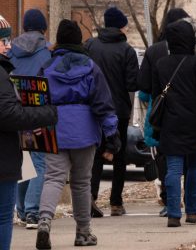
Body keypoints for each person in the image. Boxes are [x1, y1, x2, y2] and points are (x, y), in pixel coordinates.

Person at [36, 20, 120, 249]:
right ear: (78, 40)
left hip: (54, 130)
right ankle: (83, 233)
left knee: (53, 177)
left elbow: (36, 101)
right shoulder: (91, 67)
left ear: (59, 40)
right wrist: (112, 134)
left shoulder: (46, 67)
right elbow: (103, 103)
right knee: (81, 183)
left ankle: (44, 220)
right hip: (84, 132)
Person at [152, 18, 196, 228]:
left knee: (173, 169)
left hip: (170, 124)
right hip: (195, 123)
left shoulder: (161, 64)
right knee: (195, 168)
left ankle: (173, 213)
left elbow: (156, 94)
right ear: (191, 40)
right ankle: (192, 211)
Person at [0, 15, 56, 250]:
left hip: (11, 145)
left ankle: (24, 209)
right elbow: (8, 114)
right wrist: (47, 113)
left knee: (28, 167)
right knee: (3, 215)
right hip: (4, 154)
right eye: (2, 40)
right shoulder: (2, 73)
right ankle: (31, 211)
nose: (8, 45)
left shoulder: (10, 63)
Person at [87, 7, 139, 217]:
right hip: (119, 110)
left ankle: (91, 196)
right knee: (119, 156)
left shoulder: (90, 45)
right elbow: (132, 83)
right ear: (120, 27)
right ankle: (116, 202)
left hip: (93, 109)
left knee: (95, 154)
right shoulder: (127, 50)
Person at [138, 8, 190, 216]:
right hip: (187, 110)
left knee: (163, 156)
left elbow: (142, 83)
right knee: (186, 157)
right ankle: (191, 198)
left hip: (159, 109)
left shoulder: (154, 51)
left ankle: (169, 200)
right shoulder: (192, 52)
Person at [9, 9, 52, 229]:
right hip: (37, 115)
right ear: (43, 28)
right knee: (39, 162)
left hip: (14, 114)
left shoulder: (11, 52)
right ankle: (32, 211)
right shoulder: (47, 54)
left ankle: (21, 210)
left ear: (25, 26)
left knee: (22, 164)